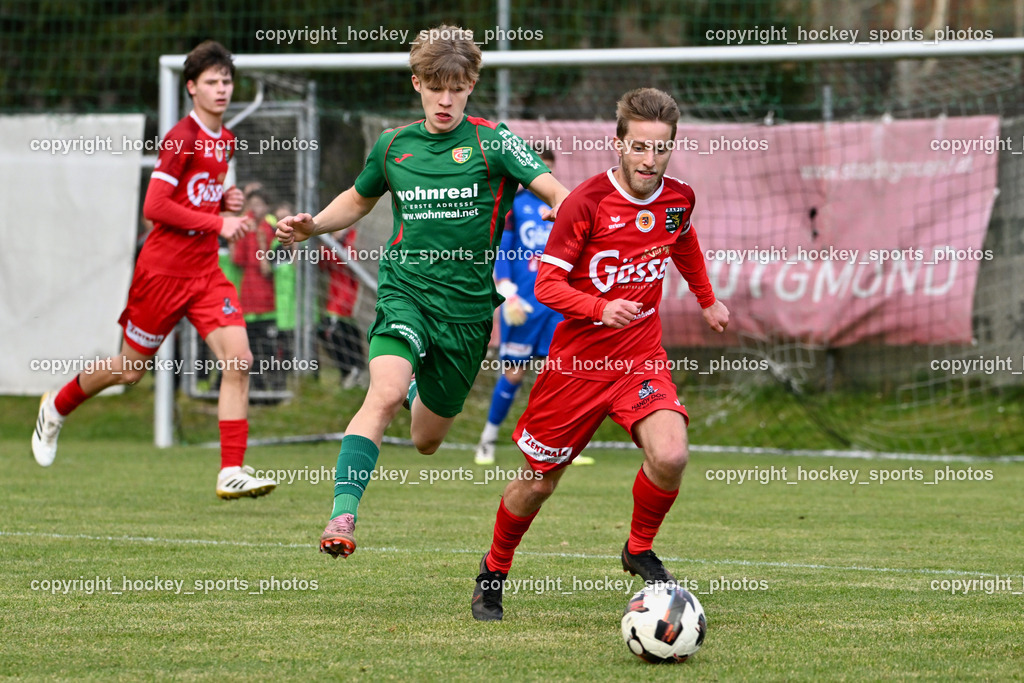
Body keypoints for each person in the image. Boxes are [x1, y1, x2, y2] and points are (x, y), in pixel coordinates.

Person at [275, 24, 570, 559]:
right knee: (382, 393)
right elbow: (358, 199)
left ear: (472, 83)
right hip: (404, 292)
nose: (446, 98)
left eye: (456, 87)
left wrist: (568, 216)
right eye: (436, 86)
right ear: (417, 83)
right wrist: (313, 225)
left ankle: (420, 389)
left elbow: (555, 191)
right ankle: (343, 512)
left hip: (467, 314)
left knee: (427, 440)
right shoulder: (394, 146)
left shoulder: (494, 142)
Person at [471, 88, 731, 621]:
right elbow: (547, 286)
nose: (648, 160)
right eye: (639, 147)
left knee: (671, 454)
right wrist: (598, 307)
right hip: (577, 367)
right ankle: (493, 571)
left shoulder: (679, 198)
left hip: (640, 358)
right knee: (538, 481)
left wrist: (707, 300)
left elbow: (682, 240)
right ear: (619, 144)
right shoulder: (583, 203)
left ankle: (637, 548)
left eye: (660, 149)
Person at [31, 41, 277, 500]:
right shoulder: (180, 138)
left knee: (239, 361)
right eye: (212, 82)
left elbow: (197, 194)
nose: (222, 89)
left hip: (205, 273)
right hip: (162, 274)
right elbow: (155, 206)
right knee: (128, 370)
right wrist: (219, 221)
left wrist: (226, 201)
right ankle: (56, 407)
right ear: (192, 89)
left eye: (227, 81)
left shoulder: (225, 140)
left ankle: (231, 470)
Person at [472, 149, 592, 467]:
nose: (544, 176)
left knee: (561, 374)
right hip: (523, 305)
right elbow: (501, 251)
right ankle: (487, 441)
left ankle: (561, 447)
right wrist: (507, 291)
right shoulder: (514, 207)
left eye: (550, 170)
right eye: (541, 169)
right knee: (513, 374)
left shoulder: (565, 206)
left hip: (558, 305)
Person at [231, 187, 279, 392]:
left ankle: (275, 386)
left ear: (267, 207)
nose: (256, 209)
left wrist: (261, 243)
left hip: (268, 297)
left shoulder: (272, 229)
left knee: (270, 348)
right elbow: (238, 259)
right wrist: (237, 236)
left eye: (260, 204)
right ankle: (257, 386)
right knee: (250, 347)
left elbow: (268, 269)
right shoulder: (247, 227)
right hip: (248, 296)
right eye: (253, 205)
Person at [317, 228, 367, 389]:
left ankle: (354, 369)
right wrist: (328, 245)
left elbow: (352, 262)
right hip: (336, 296)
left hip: (350, 296)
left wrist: (337, 242)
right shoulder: (332, 239)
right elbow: (323, 264)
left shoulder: (354, 237)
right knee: (328, 331)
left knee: (341, 331)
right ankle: (350, 370)